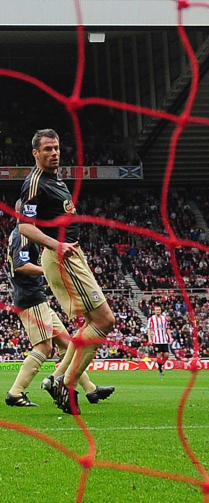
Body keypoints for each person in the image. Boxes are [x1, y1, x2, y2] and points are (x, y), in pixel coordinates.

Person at [17, 128, 117, 415]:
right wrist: (56, 245)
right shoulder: (35, 183)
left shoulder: (54, 179)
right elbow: (24, 226)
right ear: (35, 153)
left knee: (92, 322)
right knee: (104, 320)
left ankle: (58, 378)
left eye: (56, 148)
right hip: (61, 256)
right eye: (47, 149)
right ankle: (65, 382)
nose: (54, 153)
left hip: (71, 254)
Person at [5, 218, 115, 410]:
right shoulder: (23, 234)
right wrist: (47, 271)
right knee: (44, 348)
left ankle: (90, 389)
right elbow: (20, 265)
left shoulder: (24, 234)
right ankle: (16, 392)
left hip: (36, 298)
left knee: (67, 342)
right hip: (31, 298)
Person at [146, 305, 171, 375]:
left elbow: (167, 328)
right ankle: (160, 369)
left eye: (159, 310)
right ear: (154, 311)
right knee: (159, 354)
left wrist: (170, 337)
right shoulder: (151, 319)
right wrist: (149, 339)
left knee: (166, 355)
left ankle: (160, 365)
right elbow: (149, 329)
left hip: (164, 339)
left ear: (161, 310)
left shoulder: (164, 319)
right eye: (156, 310)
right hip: (156, 340)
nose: (158, 311)